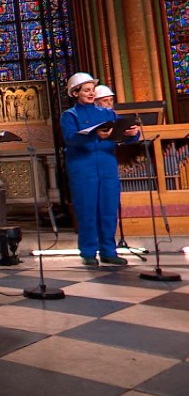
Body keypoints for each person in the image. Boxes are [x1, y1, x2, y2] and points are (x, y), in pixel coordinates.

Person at [60, 72, 139, 267]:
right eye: (86, 90)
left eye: (92, 90)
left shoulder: (107, 113)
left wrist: (132, 134)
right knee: (87, 210)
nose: (91, 93)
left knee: (108, 209)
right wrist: (94, 136)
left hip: (107, 166)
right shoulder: (70, 115)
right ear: (75, 92)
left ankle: (108, 251)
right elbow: (70, 138)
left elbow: (122, 133)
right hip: (82, 168)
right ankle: (88, 252)